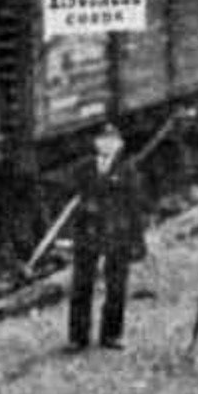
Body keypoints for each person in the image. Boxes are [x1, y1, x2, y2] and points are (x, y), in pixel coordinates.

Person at [66, 123, 147, 352]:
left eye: (111, 140)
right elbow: (72, 200)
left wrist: (138, 241)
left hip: (117, 235)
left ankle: (111, 335)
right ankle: (77, 337)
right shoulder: (82, 169)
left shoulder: (128, 171)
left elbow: (134, 208)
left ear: (119, 145)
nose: (106, 145)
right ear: (95, 143)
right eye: (102, 139)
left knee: (116, 287)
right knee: (81, 286)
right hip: (88, 234)